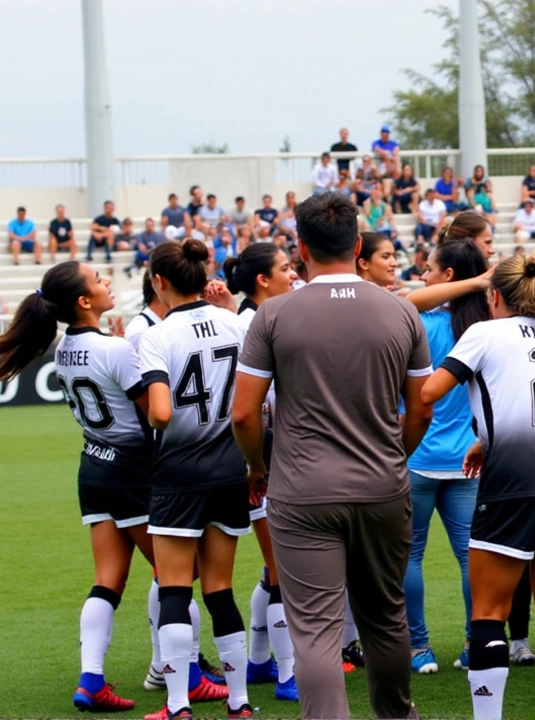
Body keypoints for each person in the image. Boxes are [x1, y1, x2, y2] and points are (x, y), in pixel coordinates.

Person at [232, 193, 431, 720]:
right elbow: (421, 410)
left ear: (300, 248)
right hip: (382, 486)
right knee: (385, 619)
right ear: (359, 245)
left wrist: (257, 468)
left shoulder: (273, 314)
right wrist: (393, 454)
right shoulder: (402, 311)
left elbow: (244, 416)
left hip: (303, 490)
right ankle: (397, 714)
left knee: (316, 632)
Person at [0, 261, 156, 713]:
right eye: (98, 279)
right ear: (84, 301)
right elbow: (153, 416)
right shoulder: (114, 349)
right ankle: (180, 670)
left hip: (93, 466)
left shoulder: (64, 347)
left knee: (107, 580)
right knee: (175, 574)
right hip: (131, 468)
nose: (107, 281)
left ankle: (91, 680)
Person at [421, 255, 535, 720]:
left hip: (514, 479)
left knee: (489, 611)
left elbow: (429, 392)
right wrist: (484, 440)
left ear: (495, 296)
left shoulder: (484, 333)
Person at [135, 239, 253, 720]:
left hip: (179, 474)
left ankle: (178, 705)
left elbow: (160, 412)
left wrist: (165, 419)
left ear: (159, 281)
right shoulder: (235, 323)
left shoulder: (156, 335)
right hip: (230, 470)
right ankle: (240, 702)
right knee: (221, 590)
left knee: (174, 590)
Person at [401, 239, 491, 675]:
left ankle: (419, 648)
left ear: (449, 277)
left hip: (414, 456)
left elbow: (403, 299)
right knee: (470, 556)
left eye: (429, 269)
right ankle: (476, 643)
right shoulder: (485, 324)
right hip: (467, 459)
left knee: (410, 556)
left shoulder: (420, 320)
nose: (422, 276)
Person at [221, 244, 302, 702]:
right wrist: (259, 464)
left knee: (275, 570)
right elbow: (252, 405)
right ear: (262, 281)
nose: (293, 274)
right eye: (285, 268)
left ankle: (257, 661)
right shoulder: (253, 324)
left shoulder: (255, 317)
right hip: (262, 456)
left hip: (264, 453)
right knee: (281, 568)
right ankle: (288, 674)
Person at [372, 124, 402, 189]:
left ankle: (395, 178)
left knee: (396, 159)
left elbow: (396, 150)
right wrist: (386, 153)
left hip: (390, 162)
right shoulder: (377, 142)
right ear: (381, 133)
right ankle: (380, 180)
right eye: (383, 132)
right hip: (379, 160)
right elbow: (377, 149)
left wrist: (391, 156)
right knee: (374, 167)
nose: (385, 134)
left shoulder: (393, 143)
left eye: (387, 132)